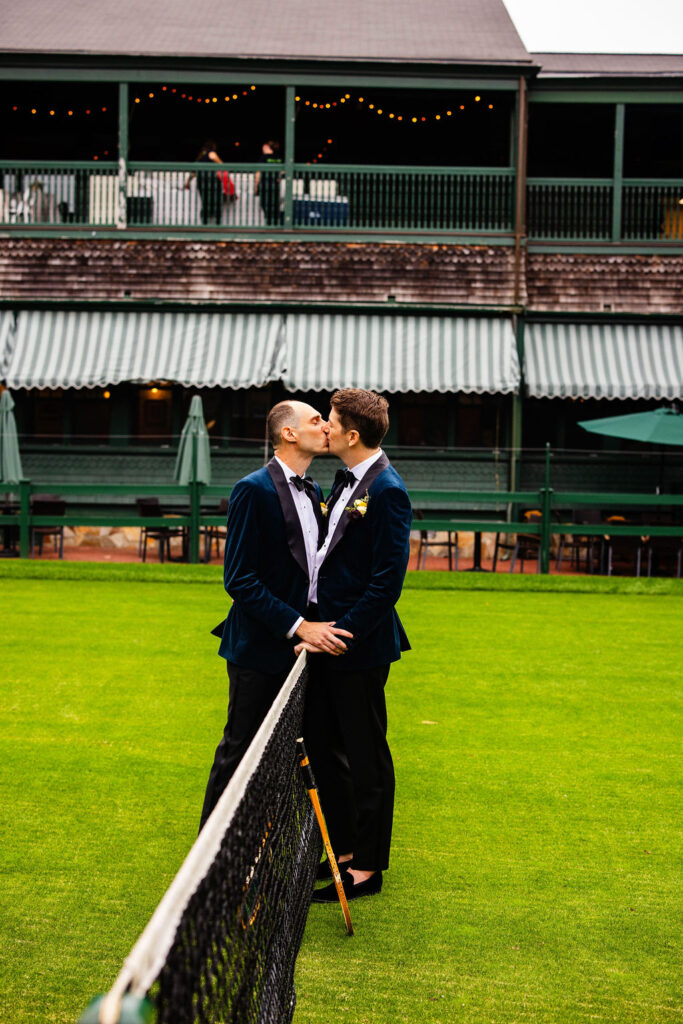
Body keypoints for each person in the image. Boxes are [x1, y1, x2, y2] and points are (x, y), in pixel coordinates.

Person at [198, 400, 352, 830]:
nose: (326, 427)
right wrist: (299, 624)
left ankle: (262, 837)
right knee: (240, 749)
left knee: (284, 749)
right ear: (289, 433)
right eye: (316, 420)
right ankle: (210, 860)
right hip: (256, 647)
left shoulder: (316, 490)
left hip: (301, 652)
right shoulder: (253, 489)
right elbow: (240, 579)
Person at [302, 389, 412, 902]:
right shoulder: (341, 482)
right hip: (323, 639)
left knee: (365, 756)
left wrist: (342, 632)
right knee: (324, 746)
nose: (322, 426)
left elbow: (387, 583)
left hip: (357, 646)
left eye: (330, 421)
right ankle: (342, 852)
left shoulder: (387, 489)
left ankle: (367, 868)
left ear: (350, 435)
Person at [185, 140, 224, 225]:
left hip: (201, 182)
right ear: (213, 146)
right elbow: (213, 157)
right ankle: (217, 223)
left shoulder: (200, 157)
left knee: (205, 203)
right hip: (213, 182)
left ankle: (205, 223)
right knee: (216, 202)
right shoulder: (211, 152)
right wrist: (222, 164)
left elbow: (194, 172)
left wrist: (187, 182)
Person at [254, 140, 283, 226]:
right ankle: (275, 224)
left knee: (265, 204)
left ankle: (269, 223)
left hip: (265, 184)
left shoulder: (263, 158)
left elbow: (258, 173)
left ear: (267, 147)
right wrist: (278, 177)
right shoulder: (278, 158)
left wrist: (256, 186)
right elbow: (283, 171)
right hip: (275, 185)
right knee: (274, 205)